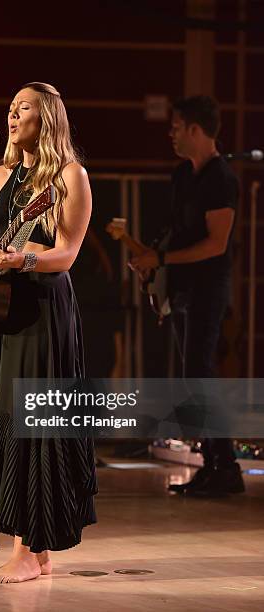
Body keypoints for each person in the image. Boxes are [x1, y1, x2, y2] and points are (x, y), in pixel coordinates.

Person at [0, 82, 97, 583]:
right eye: (9, 109)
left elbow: (67, 252)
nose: (11, 116)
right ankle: (34, 551)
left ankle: (29, 551)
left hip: (42, 314)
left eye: (22, 108)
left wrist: (23, 257)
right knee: (2, 421)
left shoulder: (69, 176)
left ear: (46, 117)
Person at [129, 95, 245, 497]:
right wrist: (152, 260)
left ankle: (224, 466)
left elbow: (216, 244)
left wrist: (160, 256)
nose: (171, 133)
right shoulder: (183, 176)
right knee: (193, 378)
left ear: (196, 129)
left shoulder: (221, 178)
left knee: (200, 376)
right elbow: (177, 231)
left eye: (177, 127)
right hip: (181, 288)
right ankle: (216, 465)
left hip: (208, 289)